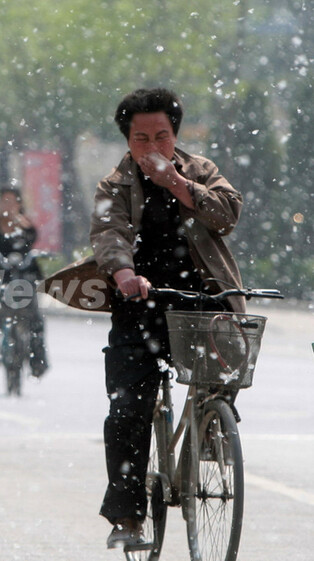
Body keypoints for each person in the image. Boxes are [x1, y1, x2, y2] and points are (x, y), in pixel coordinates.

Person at [90, 88, 245, 549]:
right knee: (128, 409)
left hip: (200, 302)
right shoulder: (113, 186)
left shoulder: (202, 172)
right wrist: (123, 273)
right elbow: (108, 233)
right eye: (142, 139)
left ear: (175, 136)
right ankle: (128, 516)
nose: (153, 148)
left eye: (162, 136)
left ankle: (211, 428)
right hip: (139, 307)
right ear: (128, 140)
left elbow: (227, 213)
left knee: (224, 374)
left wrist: (177, 183)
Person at [0, 186, 48, 377]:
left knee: (35, 318)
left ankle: (38, 361)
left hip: (23, 277)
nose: (8, 205)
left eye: (11, 201)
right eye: (4, 200)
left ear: (19, 203)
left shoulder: (26, 227)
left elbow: (33, 242)